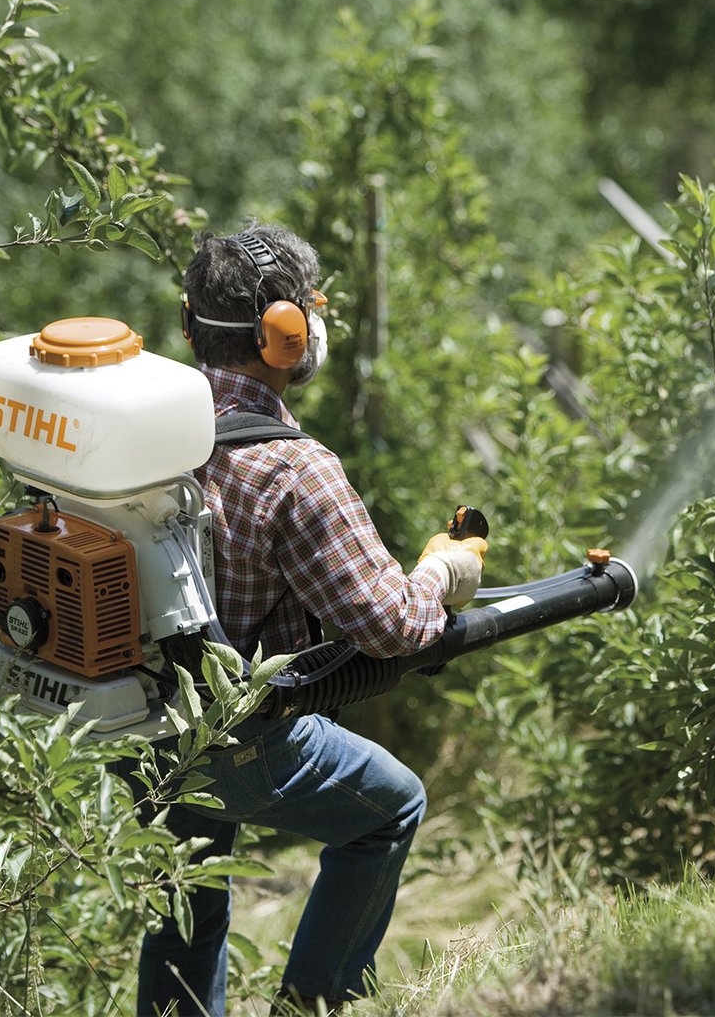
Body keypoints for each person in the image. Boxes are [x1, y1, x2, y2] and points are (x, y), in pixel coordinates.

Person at [127, 225, 487, 1016]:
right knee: (391, 809)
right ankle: (310, 1006)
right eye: (312, 305)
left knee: (192, 889)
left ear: (189, 325)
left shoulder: (134, 431)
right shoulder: (293, 468)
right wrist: (443, 571)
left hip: (136, 723)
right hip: (240, 737)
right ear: (282, 335)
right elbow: (393, 627)